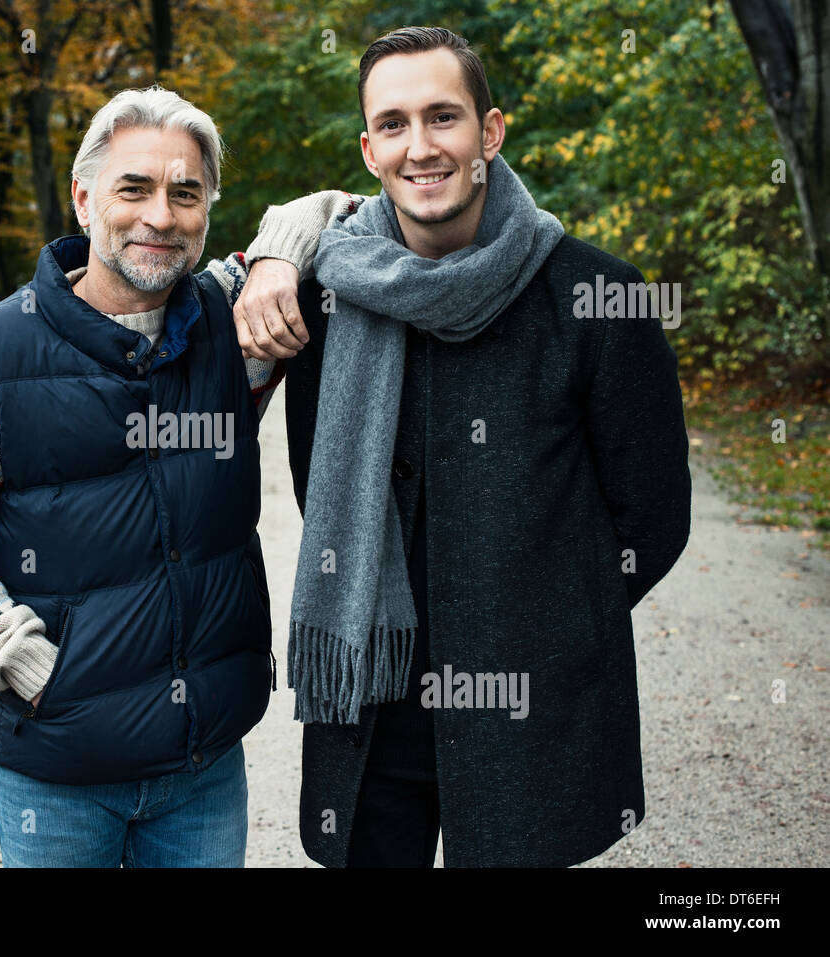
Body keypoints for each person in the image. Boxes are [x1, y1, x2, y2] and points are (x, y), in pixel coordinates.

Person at [234, 26, 692, 867]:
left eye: (443, 117)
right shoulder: (325, 293)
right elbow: (307, 474)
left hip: (533, 703)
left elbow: (652, 516)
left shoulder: (599, 297)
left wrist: (543, 623)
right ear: (369, 149)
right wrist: (276, 246)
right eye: (395, 125)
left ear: (490, 133)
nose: (422, 147)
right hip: (371, 692)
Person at [0, 85, 355, 867]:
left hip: (202, 769)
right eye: (133, 188)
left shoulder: (232, 327)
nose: (160, 216)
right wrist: (24, 666)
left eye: (186, 192)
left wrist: (276, 256)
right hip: (57, 775)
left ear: (208, 207)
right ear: (83, 197)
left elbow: (348, 206)